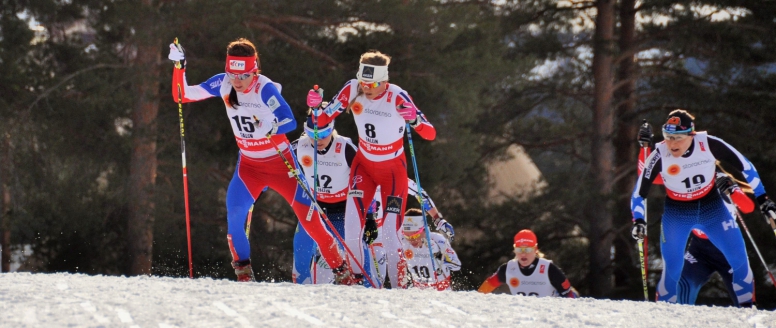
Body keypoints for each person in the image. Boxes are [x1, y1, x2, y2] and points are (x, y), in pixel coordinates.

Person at [167, 39, 355, 284]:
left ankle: (342, 271)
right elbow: (182, 95)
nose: (237, 81)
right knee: (234, 215)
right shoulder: (223, 83)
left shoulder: (264, 88)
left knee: (311, 222)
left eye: (243, 75)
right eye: (232, 74)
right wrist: (179, 66)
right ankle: (243, 272)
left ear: (254, 71)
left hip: (281, 164)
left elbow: (290, 121)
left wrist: (272, 126)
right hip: (249, 167)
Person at [307, 50, 437, 286]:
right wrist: (315, 107)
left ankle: (399, 284)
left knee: (389, 232)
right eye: (364, 82)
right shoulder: (352, 89)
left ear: (384, 81)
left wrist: (415, 120)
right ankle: (356, 281)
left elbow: (430, 133)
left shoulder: (397, 95)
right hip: (363, 167)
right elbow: (322, 121)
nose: (366, 88)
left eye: (373, 83)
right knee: (351, 227)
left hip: (392, 173)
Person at [630, 109, 775, 306]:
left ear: (691, 134)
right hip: (677, 213)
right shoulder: (659, 154)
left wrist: (763, 199)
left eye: (678, 138)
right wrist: (638, 220)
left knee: (740, 261)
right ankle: (662, 316)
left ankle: (748, 313)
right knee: (672, 269)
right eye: (667, 137)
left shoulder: (709, 144)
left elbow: (746, 166)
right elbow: (640, 191)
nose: (672, 143)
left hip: (712, 209)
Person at [290, 114, 380, 286]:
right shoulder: (299, 147)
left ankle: (370, 288)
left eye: (324, 134)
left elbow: (367, 178)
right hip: (315, 210)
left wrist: (370, 216)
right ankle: (300, 293)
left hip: (344, 211)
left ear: (331, 129)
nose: (318, 140)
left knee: (357, 256)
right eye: (313, 135)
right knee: (301, 250)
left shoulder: (344, 147)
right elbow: (275, 164)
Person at [677, 166, 757, 306]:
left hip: (729, 251)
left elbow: (748, 207)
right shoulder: (683, 181)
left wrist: (732, 190)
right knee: (680, 289)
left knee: (746, 305)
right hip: (699, 251)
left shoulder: (721, 179)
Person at [477, 229, 578, 298]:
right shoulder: (508, 269)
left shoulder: (548, 268)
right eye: (519, 249)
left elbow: (569, 295)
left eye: (528, 249)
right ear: (514, 250)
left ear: (535, 250)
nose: (523, 253)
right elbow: (487, 286)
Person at [400, 209, 461, 290]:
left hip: (441, 292)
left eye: (415, 236)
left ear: (424, 230)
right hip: (418, 292)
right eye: (407, 236)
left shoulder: (437, 239)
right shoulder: (404, 241)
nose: (411, 240)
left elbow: (456, 266)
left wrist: (438, 254)